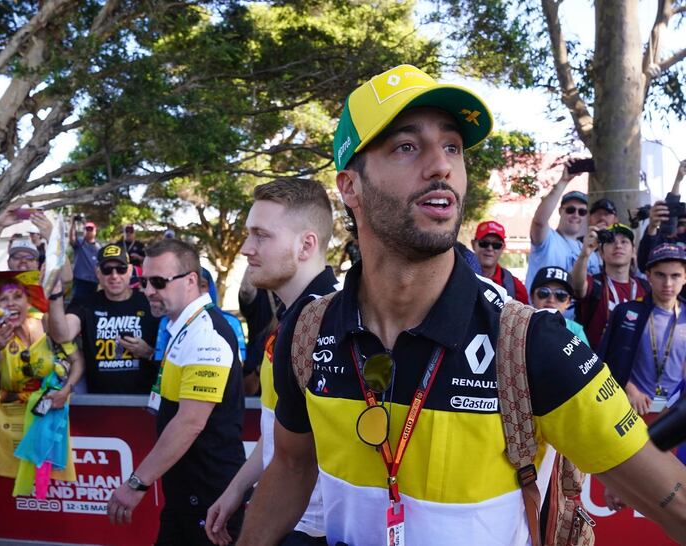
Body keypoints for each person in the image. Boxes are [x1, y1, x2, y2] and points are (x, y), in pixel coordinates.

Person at [237, 64, 686, 546]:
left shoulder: (531, 343)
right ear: (350, 187)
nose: (441, 166)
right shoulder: (307, 331)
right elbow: (289, 465)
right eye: (407, 147)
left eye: (452, 146)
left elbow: (671, 502)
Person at [206, 178, 337, 546]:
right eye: (249, 234)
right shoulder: (290, 320)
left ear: (305, 245)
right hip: (284, 518)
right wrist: (237, 488)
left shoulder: (339, 326)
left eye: (261, 235)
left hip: (317, 530)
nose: (247, 248)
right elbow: (280, 429)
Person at [107, 239, 245, 546]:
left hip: (210, 496)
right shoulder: (181, 327)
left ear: (192, 280)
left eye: (159, 282)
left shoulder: (206, 333)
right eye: (144, 281)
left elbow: (189, 423)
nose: (148, 290)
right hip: (188, 494)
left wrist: (135, 484)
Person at [0, 271, 77, 480]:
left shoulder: (46, 323)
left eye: (17, 297)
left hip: (52, 418)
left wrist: (67, 388)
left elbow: (78, 360)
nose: (11, 303)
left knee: (52, 487)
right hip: (13, 424)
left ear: (28, 300)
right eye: (3, 299)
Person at [47, 244, 159, 394]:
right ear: (98, 273)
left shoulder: (149, 302)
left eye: (121, 269)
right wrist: (55, 295)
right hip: (98, 403)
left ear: (131, 270)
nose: (114, 276)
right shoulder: (86, 303)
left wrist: (148, 352)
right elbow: (62, 335)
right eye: (107, 270)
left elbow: (173, 356)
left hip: (144, 400)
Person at [598, 243, 686, 416]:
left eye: (675, 276)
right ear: (648, 276)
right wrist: (629, 389)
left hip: (675, 412)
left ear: (685, 277)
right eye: (660, 275)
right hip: (632, 408)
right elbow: (604, 361)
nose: (668, 283)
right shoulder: (626, 312)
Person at [525, 166, 601, 299]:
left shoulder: (592, 252)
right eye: (570, 210)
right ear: (560, 211)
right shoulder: (547, 239)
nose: (576, 215)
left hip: (576, 319)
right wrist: (563, 181)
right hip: (541, 316)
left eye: (582, 212)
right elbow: (539, 221)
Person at [571, 223, 648, 347]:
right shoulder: (594, 283)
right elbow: (576, 286)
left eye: (624, 242)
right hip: (597, 363)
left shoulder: (645, 288)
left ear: (634, 251)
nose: (618, 245)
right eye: (611, 241)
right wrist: (585, 254)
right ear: (601, 252)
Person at [637, 159, 686, 271]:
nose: (683, 228)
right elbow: (643, 263)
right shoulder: (662, 239)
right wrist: (678, 179)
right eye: (680, 224)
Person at [471, 220, 528, 303]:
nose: (490, 248)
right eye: (484, 243)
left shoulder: (516, 287)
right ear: (473, 244)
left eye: (496, 245)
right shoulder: (458, 275)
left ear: (503, 248)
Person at [528, 267, 588, 345]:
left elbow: (584, 357)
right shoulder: (522, 327)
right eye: (544, 292)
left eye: (561, 295)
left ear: (568, 302)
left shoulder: (576, 330)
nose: (551, 300)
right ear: (532, 297)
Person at [69, 218, 101, 304]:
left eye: (91, 229)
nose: (88, 231)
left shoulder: (99, 248)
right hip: (80, 280)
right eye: (86, 229)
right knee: (77, 304)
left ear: (95, 231)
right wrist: (72, 223)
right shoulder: (80, 243)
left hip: (93, 281)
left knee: (91, 305)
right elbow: (72, 238)